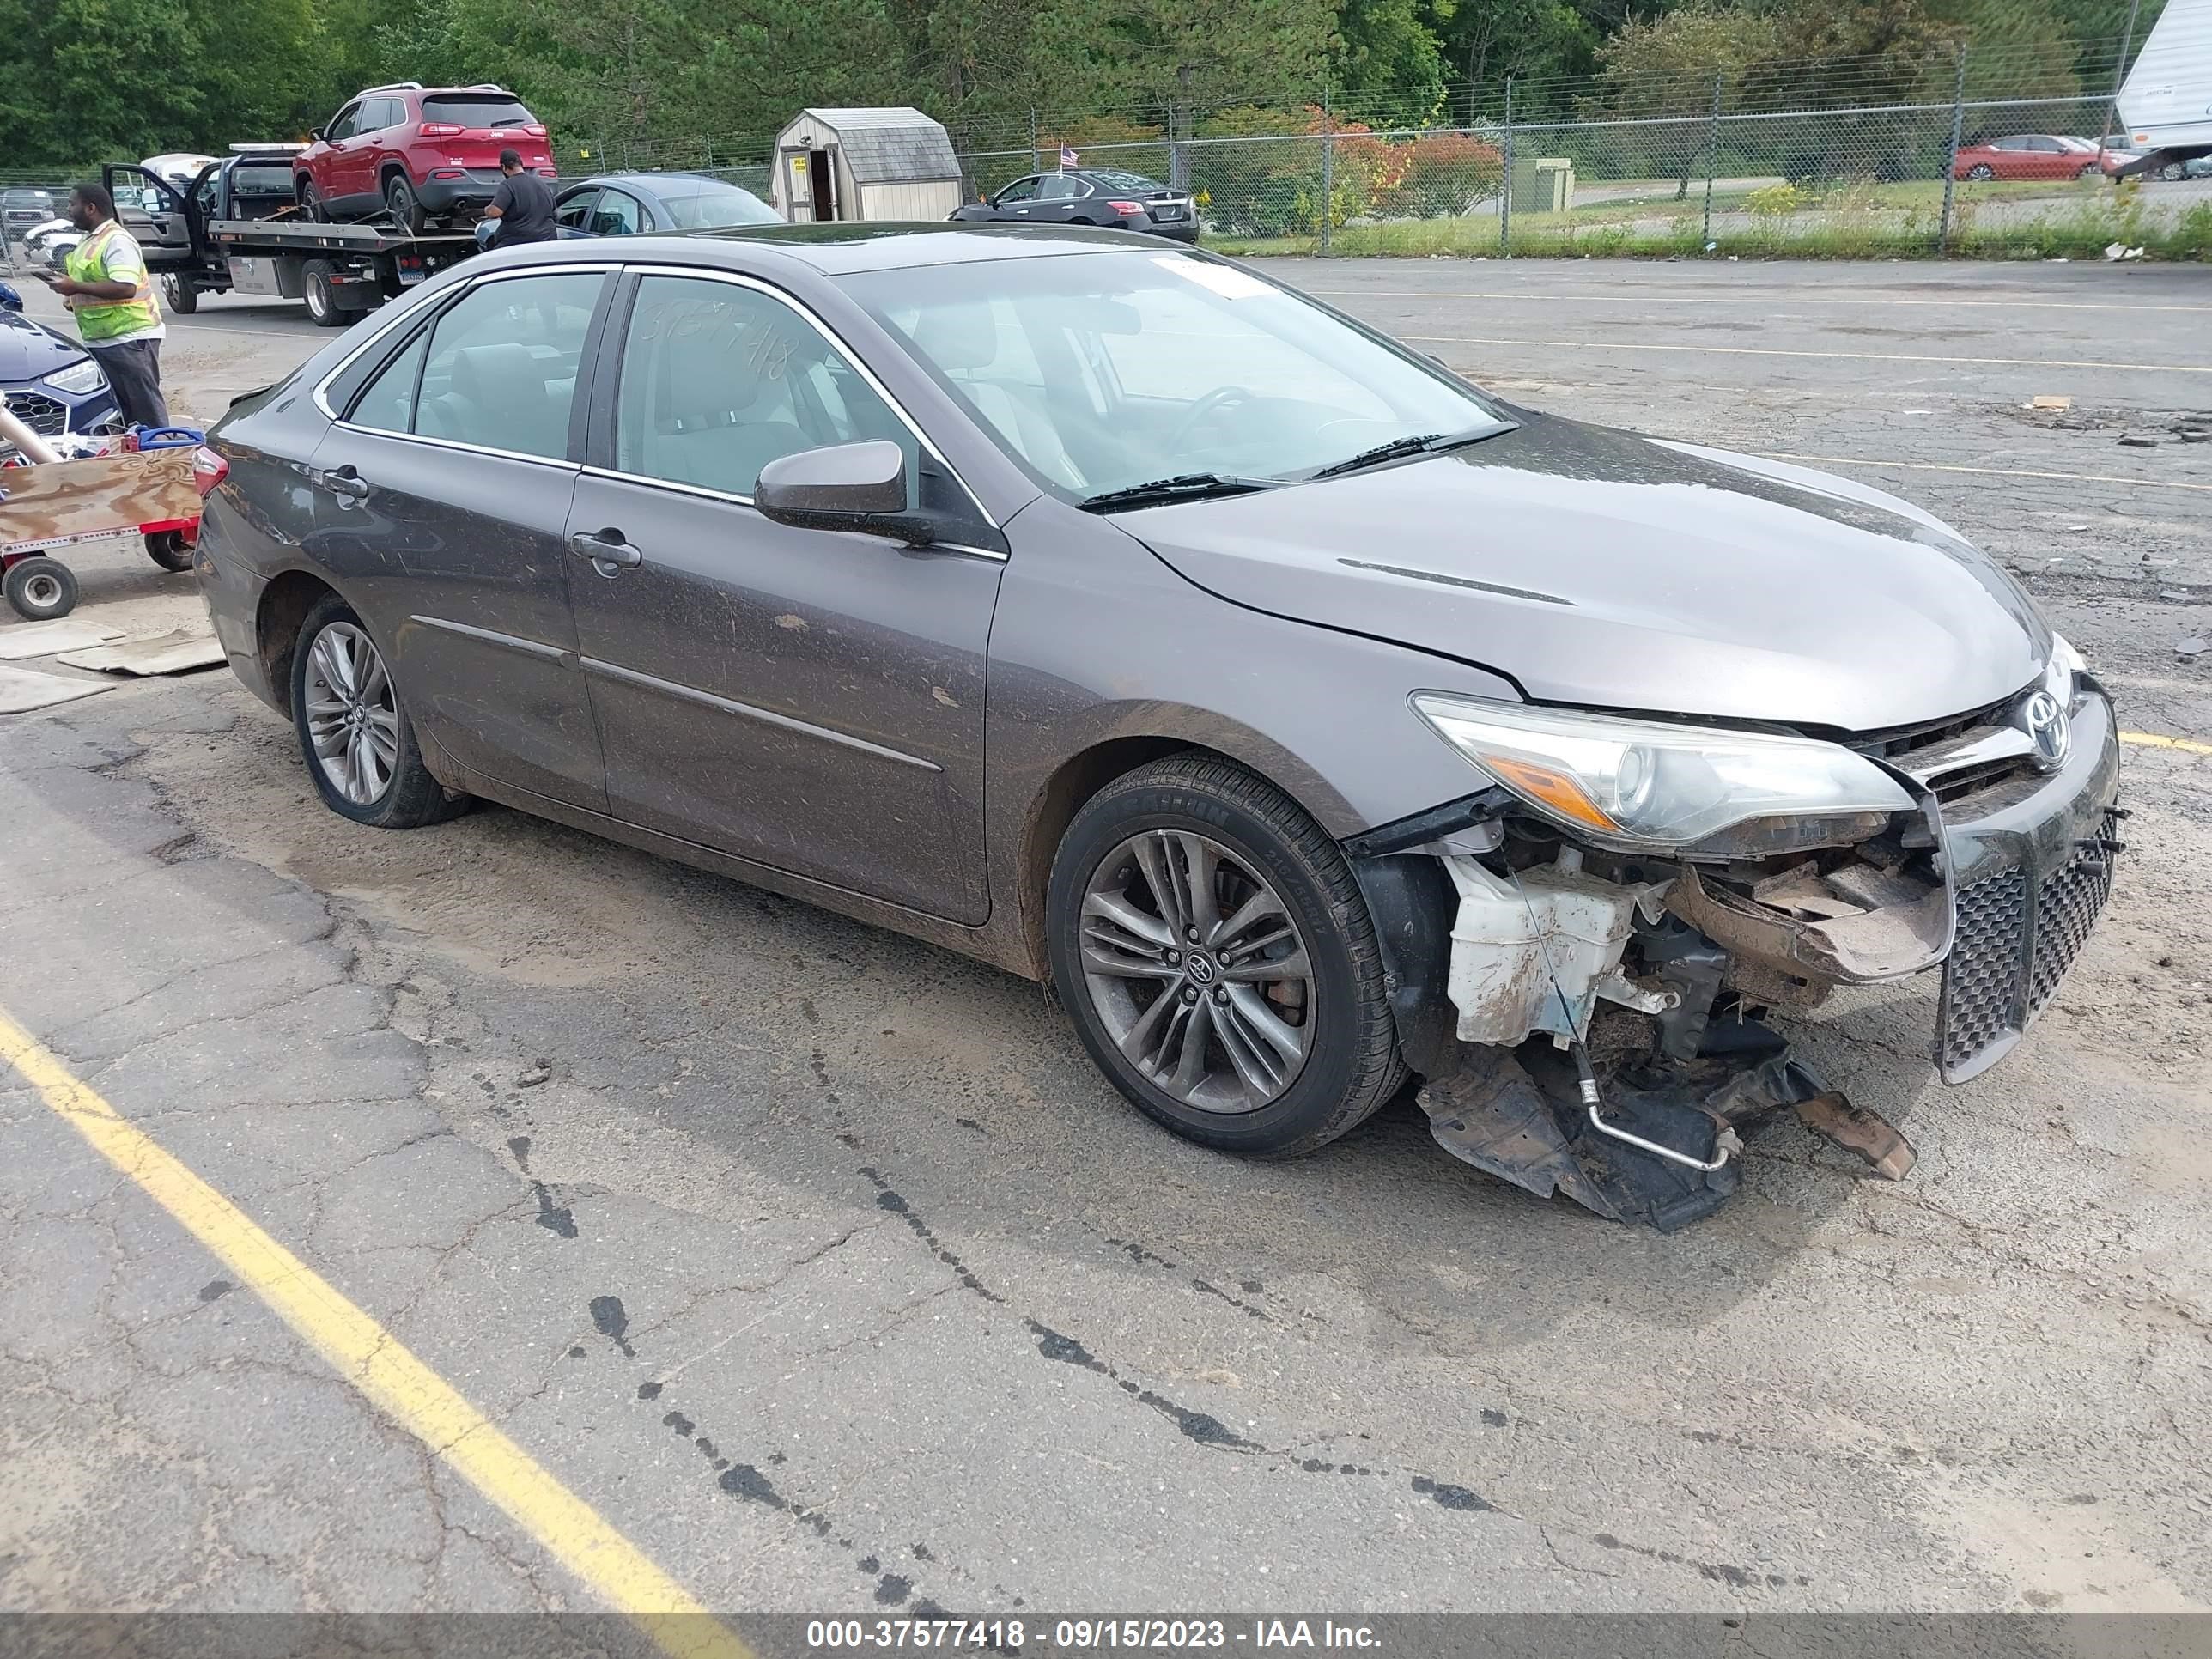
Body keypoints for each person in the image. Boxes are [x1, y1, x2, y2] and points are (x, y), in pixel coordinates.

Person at [42, 182, 168, 428]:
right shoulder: (89, 241)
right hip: (104, 339)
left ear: (91, 208)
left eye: (72, 203)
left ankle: (162, 457)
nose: (68, 209)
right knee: (121, 414)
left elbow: (125, 287)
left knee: (146, 412)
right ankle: (134, 461)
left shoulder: (117, 241)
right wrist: (72, 296)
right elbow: (91, 283)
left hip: (130, 338)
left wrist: (76, 287)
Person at [482, 149, 557, 246]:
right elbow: (554, 212)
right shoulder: (541, 184)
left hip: (517, 242)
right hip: (547, 239)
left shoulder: (508, 185)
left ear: (503, 167)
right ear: (521, 164)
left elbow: (494, 212)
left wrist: (487, 209)